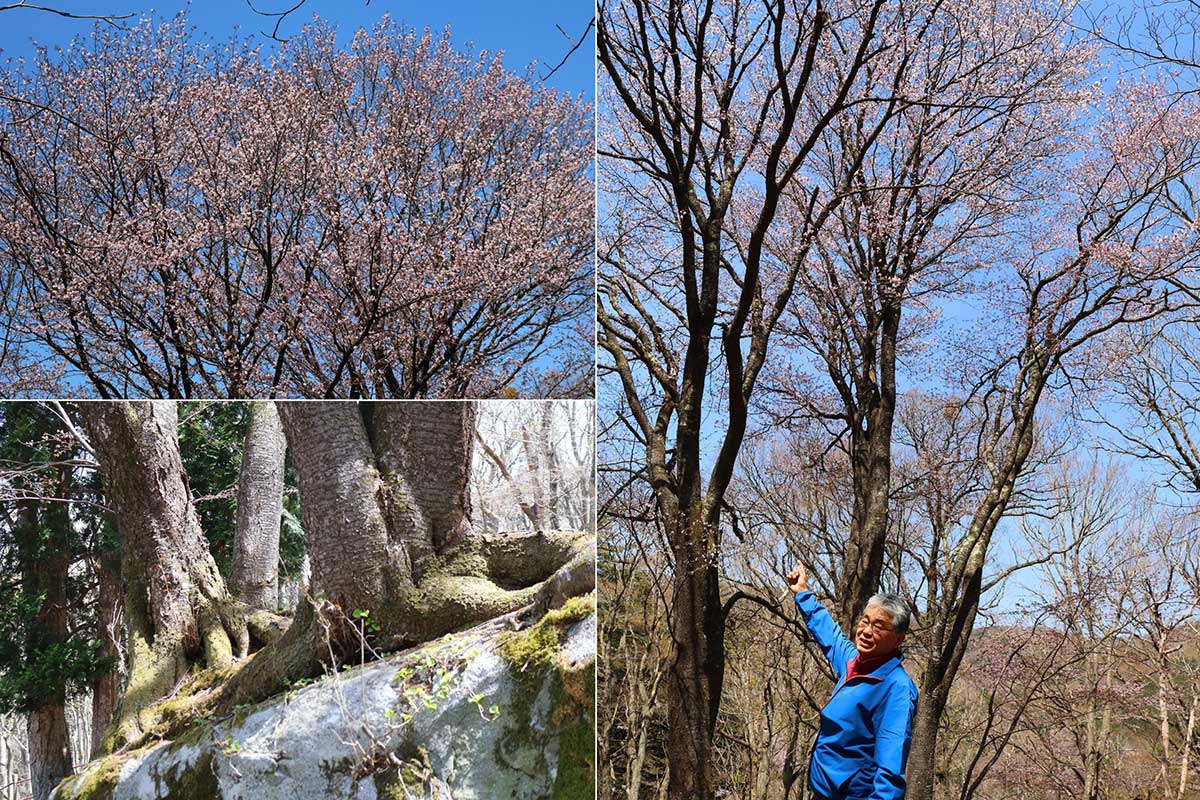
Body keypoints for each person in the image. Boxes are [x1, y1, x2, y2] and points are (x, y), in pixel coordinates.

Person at [786, 562, 918, 800]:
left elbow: (891, 769)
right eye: (865, 621)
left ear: (898, 639)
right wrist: (803, 593)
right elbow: (831, 636)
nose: (867, 631)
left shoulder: (896, 688)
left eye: (879, 627)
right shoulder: (855, 662)